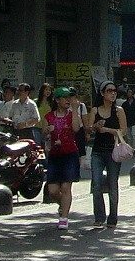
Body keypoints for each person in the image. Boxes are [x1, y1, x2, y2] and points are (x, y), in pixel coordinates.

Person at [41, 86, 83, 230]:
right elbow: (44, 133)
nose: (67, 100)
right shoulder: (49, 116)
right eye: (65, 98)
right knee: (52, 190)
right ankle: (62, 204)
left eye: (69, 98)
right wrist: (47, 131)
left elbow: (76, 129)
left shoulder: (71, 115)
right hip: (55, 155)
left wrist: (75, 109)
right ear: (57, 100)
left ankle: (64, 217)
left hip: (70, 154)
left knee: (66, 186)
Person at [87, 82, 127, 229]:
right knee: (96, 184)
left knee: (112, 184)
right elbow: (88, 130)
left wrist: (107, 130)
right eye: (109, 91)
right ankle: (99, 217)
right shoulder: (95, 110)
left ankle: (113, 217)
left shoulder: (119, 110)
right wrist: (95, 127)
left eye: (114, 91)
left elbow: (123, 131)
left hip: (113, 152)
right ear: (102, 93)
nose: (113, 93)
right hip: (97, 151)